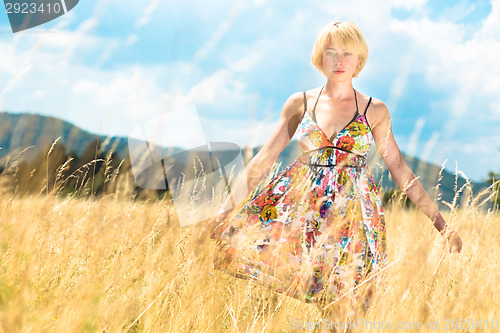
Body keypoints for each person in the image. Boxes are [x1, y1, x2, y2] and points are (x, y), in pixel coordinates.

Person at [202, 20, 462, 327]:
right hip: (303, 214)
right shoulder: (300, 103)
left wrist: (441, 225)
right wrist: (224, 211)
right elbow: (263, 159)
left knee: (347, 308)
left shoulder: (374, 109)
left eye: (347, 53)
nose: (339, 61)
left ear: (359, 60)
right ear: (319, 58)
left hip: (354, 219)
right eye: (330, 52)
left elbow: (400, 169)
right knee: (296, 292)